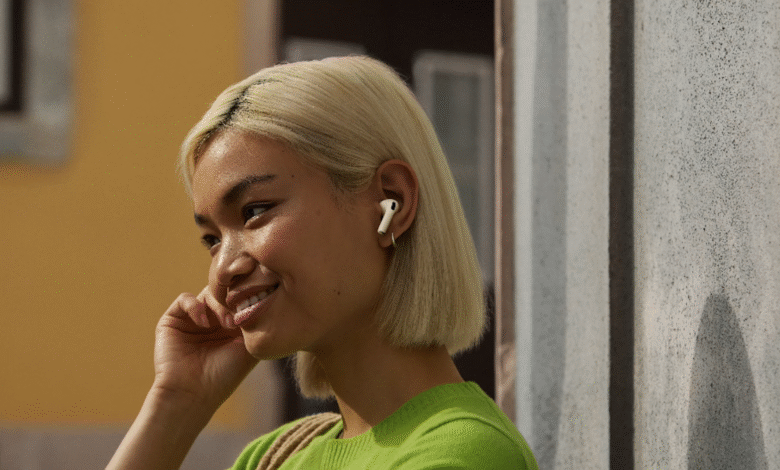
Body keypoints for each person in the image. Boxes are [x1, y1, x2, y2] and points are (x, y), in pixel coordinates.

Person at [106, 56, 538, 470]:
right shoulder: (275, 456)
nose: (223, 271)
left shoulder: (466, 455)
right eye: (211, 239)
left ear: (392, 201)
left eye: (255, 212)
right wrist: (178, 403)